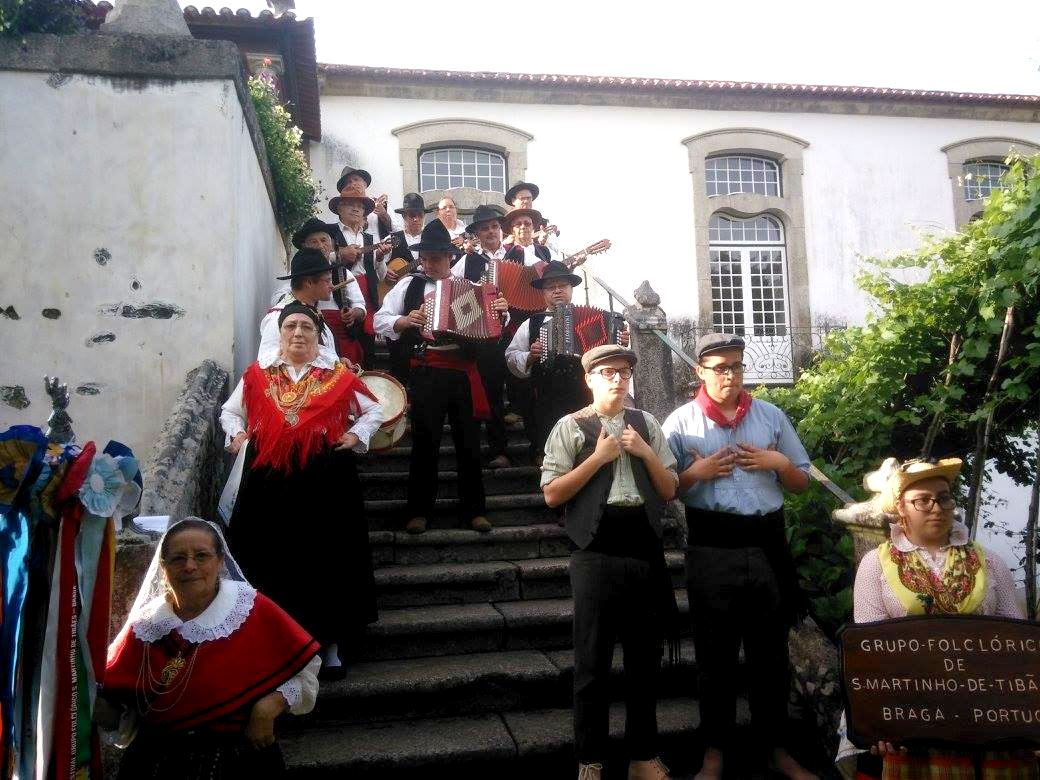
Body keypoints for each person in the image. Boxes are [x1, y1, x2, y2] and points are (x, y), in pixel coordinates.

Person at [660, 333, 817, 780]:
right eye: (721, 366)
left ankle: (776, 748)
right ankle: (714, 752)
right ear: (701, 371)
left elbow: (801, 481)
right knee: (715, 657)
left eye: (737, 366)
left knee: (771, 655)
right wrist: (698, 472)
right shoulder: (680, 423)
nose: (730, 374)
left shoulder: (770, 416)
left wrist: (777, 463)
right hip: (712, 545)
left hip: (768, 544)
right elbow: (665, 488)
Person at [836, 457, 1031, 780]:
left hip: (989, 705)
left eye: (943, 498)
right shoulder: (876, 565)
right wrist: (883, 717)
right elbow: (871, 651)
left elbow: (1017, 644)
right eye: (922, 501)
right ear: (900, 508)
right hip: (913, 704)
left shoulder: (989, 562)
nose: (937, 508)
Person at [221, 301, 383, 680]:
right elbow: (230, 413)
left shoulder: (339, 376)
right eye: (290, 326)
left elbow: (374, 409)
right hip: (269, 482)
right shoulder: (257, 376)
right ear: (279, 334)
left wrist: (356, 433)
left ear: (317, 334)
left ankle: (329, 647)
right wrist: (238, 433)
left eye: (306, 327)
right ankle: (275, 645)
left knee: (326, 559)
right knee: (270, 559)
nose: (297, 333)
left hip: (325, 479)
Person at [541, 345, 679, 780]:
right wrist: (598, 458)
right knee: (592, 662)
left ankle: (642, 756)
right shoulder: (570, 426)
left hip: (643, 546)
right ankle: (591, 759)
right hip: (594, 550)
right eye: (607, 372)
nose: (618, 380)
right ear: (590, 379)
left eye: (623, 372)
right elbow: (552, 494)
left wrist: (644, 451)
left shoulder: (646, 424)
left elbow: (669, 488)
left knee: (644, 660)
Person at [99, 518, 321, 778]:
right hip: (156, 764)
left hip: (237, 759)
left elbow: (306, 673)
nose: (190, 566)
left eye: (201, 556)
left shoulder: (250, 609)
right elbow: (118, 705)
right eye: (178, 558)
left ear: (220, 562)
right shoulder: (146, 627)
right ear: (163, 568)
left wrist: (269, 706)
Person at [374, 219, 509, 535]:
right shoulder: (410, 286)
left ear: (450, 257)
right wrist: (406, 320)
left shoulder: (474, 289)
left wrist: (501, 311)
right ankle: (419, 510)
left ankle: (475, 510)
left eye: (437, 257)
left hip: (464, 372)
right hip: (428, 370)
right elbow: (379, 320)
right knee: (426, 442)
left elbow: (494, 332)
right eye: (426, 258)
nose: (430, 263)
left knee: (469, 443)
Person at [506, 261, 631, 466]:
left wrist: (621, 343)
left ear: (571, 289)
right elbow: (511, 357)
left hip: (587, 396)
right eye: (550, 287)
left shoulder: (600, 318)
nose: (557, 291)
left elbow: (616, 359)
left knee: (590, 450)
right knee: (551, 454)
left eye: (562, 286)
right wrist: (529, 356)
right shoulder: (532, 323)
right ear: (543, 292)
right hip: (547, 400)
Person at [452, 204, 511, 467]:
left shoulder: (519, 256)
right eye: (484, 228)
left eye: (494, 226)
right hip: (484, 337)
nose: (490, 232)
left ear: (501, 229)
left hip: (517, 331)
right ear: (476, 233)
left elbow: (536, 283)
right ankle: (498, 450)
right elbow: (450, 291)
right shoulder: (467, 261)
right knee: (491, 391)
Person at [272, 218, 367, 366]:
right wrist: (302, 304)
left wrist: (354, 312)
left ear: (332, 244)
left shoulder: (344, 273)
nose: (320, 246)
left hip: (340, 335)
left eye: (324, 240)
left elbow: (360, 305)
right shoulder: (297, 275)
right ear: (304, 246)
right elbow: (278, 299)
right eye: (314, 242)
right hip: (306, 334)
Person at [329, 180, 391, 367]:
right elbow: (318, 259)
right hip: (339, 293)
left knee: (367, 348)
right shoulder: (329, 233)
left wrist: (380, 258)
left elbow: (381, 276)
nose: (356, 209)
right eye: (350, 204)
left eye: (360, 206)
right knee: (343, 344)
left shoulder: (370, 239)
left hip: (367, 294)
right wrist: (338, 254)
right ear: (339, 208)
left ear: (365, 212)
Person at [259, 247, 341, 367]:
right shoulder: (278, 318)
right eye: (327, 281)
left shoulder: (313, 313)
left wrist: (337, 362)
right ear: (308, 282)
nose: (332, 286)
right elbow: (265, 364)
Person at [384, 193, 427, 383]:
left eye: (418, 214)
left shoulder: (431, 239)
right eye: (411, 215)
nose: (415, 219)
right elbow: (377, 268)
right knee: (396, 350)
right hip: (395, 298)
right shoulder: (392, 238)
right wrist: (385, 271)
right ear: (404, 217)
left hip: (422, 300)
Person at [336, 166, 397, 238]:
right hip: (351, 247)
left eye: (356, 179)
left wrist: (384, 215)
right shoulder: (342, 207)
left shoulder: (381, 204)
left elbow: (397, 231)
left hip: (378, 248)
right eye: (349, 182)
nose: (353, 184)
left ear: (365, 184)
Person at [505, 180, 559, 256]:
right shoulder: (503, 223)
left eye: (529, 198)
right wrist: (506, 244)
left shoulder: (544, 224)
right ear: (513, 201)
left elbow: (555, 252)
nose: (526, 201)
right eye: (522, 198)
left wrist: (544, 242)